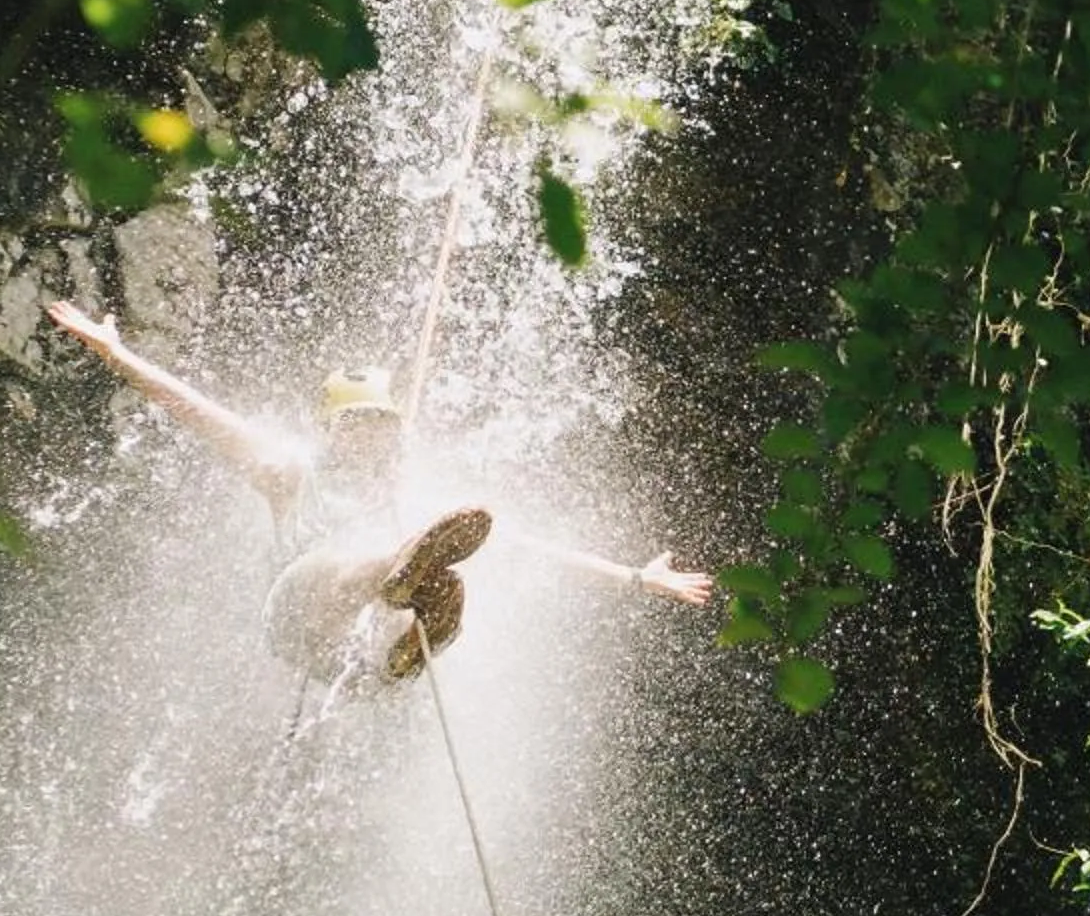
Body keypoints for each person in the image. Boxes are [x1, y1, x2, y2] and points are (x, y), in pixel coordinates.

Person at [45, 301, 711, 703]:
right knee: (369, 560)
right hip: (295, 617)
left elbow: (525, 547)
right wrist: (116, 353)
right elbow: (198, 412)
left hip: (351, 662)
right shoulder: (287, 470)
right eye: (356, 423)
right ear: (330, 428)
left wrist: (634, 577)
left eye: (380, 424)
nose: (369, 434)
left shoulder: (403, 496)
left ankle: (422, 632)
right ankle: (399, 582)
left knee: (449, 570)